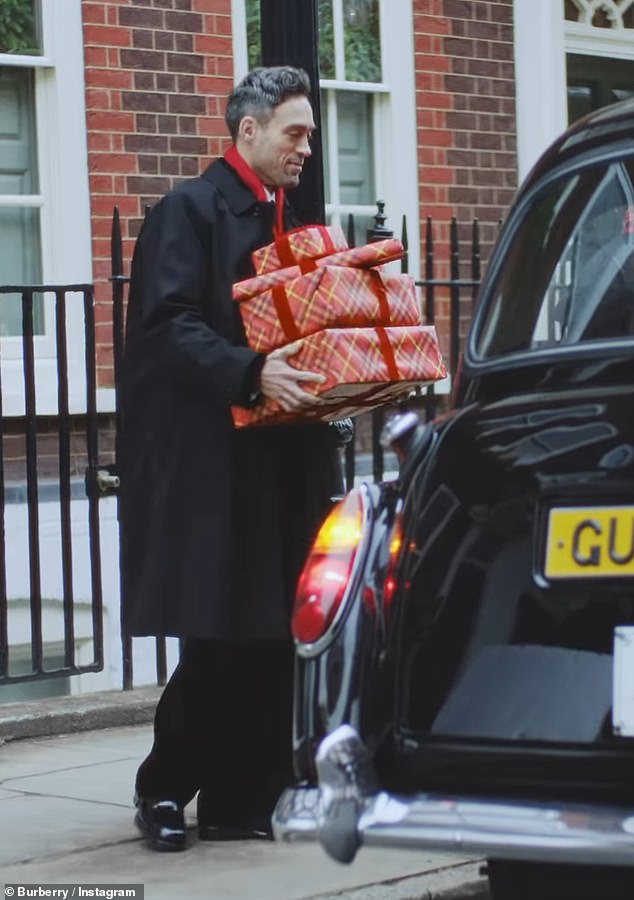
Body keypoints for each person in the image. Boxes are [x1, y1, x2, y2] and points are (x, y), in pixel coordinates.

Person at [118, 66, 343, 852]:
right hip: (213, 461)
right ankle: (164, 790)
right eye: (295, 132)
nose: (306, 147)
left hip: (283, 456)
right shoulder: (189, 210)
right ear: (247, 132)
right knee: (218, 631)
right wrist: (250, 372)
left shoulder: (288, 219)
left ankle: (249, 796)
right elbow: (167, 324)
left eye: (310, 133)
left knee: (274, 629)